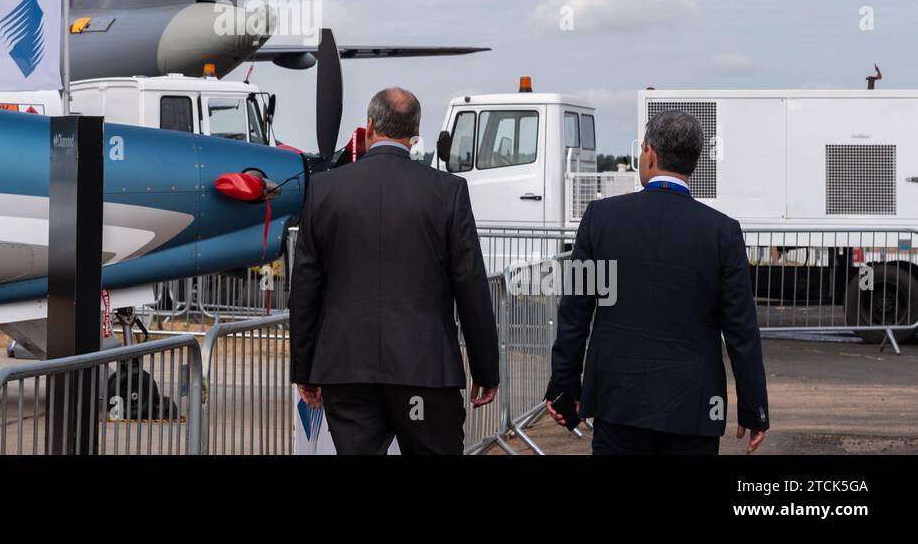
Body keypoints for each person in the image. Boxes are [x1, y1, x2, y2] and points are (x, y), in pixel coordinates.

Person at [545, 109, 769, 454]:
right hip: (692, 407)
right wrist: (754, 406)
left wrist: (564, 387)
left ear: (648, 152)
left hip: (618, 401)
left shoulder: (599, 219)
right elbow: (741, 329)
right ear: (694, 162)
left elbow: (575, 310)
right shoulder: (723, 232)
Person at [290, 87, 498, 454]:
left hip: (347, 371)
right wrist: (485, 369)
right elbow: (470, 285)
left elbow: (306, 286)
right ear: (415, 133)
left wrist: (305, 369)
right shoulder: (447, 191)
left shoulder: (324, 189)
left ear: (369, 125)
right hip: (425, 371)